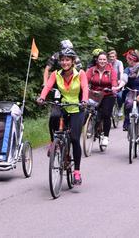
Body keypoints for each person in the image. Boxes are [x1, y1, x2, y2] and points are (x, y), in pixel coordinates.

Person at [37, 48, 88, 185]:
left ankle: (76, 171)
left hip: (77, 107)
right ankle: (54, 142)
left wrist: (84, 101)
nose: (64, 62)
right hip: (64, 105)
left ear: (72, 61)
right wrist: (42, 97)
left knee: (75, 139)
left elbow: (85, 88)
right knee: (53, 116)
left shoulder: (80, 74)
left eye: (67, 60)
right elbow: (47, 87)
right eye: (62, 60)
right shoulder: (56, 74)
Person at [115, 49, 139, 153]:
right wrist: (119, 86)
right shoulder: (128, 69)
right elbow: (124, 79)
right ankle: (127, 120)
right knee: (127, 103)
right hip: (131, 92)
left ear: (133, 60)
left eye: (128, 60)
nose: (127, 62)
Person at [86, 52, 118, 147]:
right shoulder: (91, 70)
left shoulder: (111, 71)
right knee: (90, 112)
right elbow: (85, 81)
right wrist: (85, 87)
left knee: (106, 114)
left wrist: (113, 87)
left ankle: (106, 137)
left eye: (104, 59)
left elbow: (114, 81)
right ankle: (91, 128)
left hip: (107, 94)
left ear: (107, 60)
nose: (102, 61)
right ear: (97, 60)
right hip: (94, 94)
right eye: (100, 59)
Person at [108, 50, 124, 116]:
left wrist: (120, 80)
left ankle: (120, 108)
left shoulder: (119, 63)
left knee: (119, 96)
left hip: (118, 83)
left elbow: (121, 72)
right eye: (110, 57)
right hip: (109, 83)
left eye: (113, 56)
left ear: (116, 57)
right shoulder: (107, 63)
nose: (111, 58)